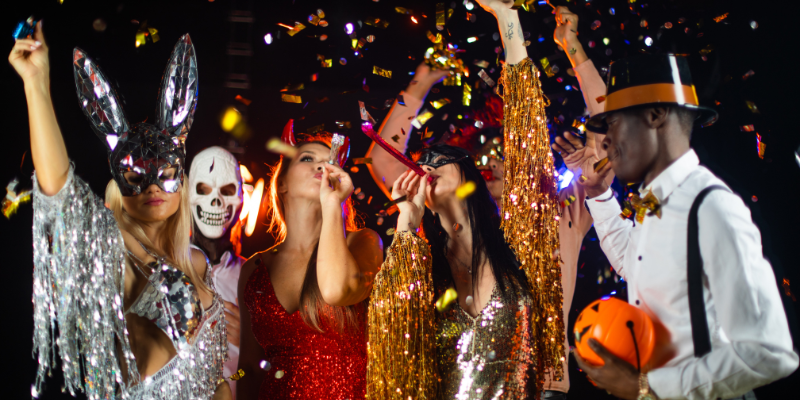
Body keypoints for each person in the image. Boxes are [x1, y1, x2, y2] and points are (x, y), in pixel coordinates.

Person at [365, 4, 610, 398]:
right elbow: (384, 160)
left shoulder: (553, 214)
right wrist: (421, 83)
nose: (494, 160)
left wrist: (573, 48)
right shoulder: (429, 243)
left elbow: (610, 135)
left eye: (504, 149)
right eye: (482, 153)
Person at [11, 25, 230, 400]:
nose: (152, 187)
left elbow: (216, 381)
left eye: (165, 174)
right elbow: (60, 191)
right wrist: (36, 83)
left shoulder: (197, 261)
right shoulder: (115, 250)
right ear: (118, 182)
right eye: (135, 176)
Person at [564, 51, 799, 399]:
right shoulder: (658, 204)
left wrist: (648, 387)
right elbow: (631, 263)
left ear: (656, 115)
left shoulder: (709, 206)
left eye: (613, 124)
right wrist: (599, 195)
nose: (606, 141)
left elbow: (771, 352)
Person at [236, 129, 384, 399]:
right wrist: (225, 379)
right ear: (282, 183)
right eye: (307, 158)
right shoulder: (253, 269)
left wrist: (332, 205)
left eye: (330, 161)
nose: (321, 165)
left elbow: (338, 289)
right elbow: (248, 367)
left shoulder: (362, 242)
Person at [189, 146, 247, 398]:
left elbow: (255, 371)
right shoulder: (161, 269)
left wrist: (250, 344)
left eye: (227, 191)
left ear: (241, 198)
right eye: (204, 190)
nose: (216, 201)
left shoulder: (254, 276)